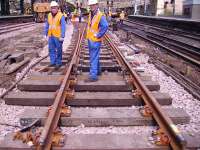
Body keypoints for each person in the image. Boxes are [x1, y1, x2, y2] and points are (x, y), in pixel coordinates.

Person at [85, 0, 109, 82]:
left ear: (97, 5)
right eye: (90, 6)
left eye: (93, 5)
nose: (91, 7)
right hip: (90, 39)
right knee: (95, 56)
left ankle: (93, 76)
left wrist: (98, 35)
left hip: (95, 40)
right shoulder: (91, 14)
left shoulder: (100, 15)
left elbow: (105, 26)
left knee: (93, 57)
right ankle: (98, 71)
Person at [44, 1, 66, 70]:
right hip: (51, 35)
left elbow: (63, 26)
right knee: (51, 49)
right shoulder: (49, 15)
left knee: (59, 50)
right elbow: (47, 25)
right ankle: (53, 62)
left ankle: (58, 63)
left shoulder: (61, 16)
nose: (53, 9)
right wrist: (45, 34)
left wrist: (62, 36)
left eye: (54, 8)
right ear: (51, 8)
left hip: (58, 36)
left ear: (57, 8)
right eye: (52, 8)